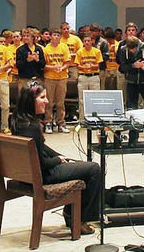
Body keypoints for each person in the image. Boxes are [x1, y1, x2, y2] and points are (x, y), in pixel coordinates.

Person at [11, 82, 102, 234]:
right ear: (30, 101)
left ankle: (72, 214)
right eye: (42, 98)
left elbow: (40, 148)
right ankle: (80, 219)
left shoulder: (17, 121)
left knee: (81, 165)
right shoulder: (32, 127)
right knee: (94, 169)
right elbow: (43, 163)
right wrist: (57, 160)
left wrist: (59, 156)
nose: (47, 101)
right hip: (43, 175)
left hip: (28, 173)